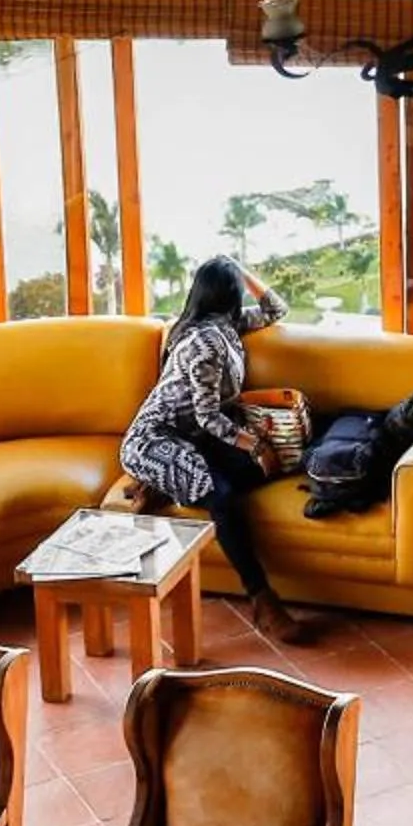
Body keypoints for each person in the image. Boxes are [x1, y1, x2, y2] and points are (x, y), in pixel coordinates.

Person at [120, 257, 312, 644]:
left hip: (195, 439)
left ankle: (166, 485)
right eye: (238, 285)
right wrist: (255, 444)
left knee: (269, 468)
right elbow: (208, 416)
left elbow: (277, 309)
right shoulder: (203, 341)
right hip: (156, 439)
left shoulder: (226, 325)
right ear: (230, 294)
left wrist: (239, 268)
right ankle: (262, 598)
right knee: (222, 496)